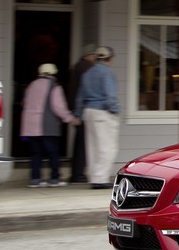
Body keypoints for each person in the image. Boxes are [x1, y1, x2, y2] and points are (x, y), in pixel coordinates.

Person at [21, 63, 81, 188]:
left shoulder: (31, 85)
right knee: (52, 153)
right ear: (53, 73)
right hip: (47, 126)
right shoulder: (54, 86)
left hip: (30, 126)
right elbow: (58, 107)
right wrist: (71, 119)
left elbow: (25, 103)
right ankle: (55, 178)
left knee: (35, 153)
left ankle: (35, 179)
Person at [74, 45, 121, 189]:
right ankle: (101, 178)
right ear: (109, 58)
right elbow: (110, 95)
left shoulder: (87, 73)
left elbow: (80, 97)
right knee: (107, 147)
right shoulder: (106, 73)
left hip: (88, 111)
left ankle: (94, 177)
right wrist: (115, 110)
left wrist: (78, 113)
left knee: (92, 146)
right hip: (102, 111)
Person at [65, 43, 98, 183]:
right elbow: (85, 92)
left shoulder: (76, 67)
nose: (96, 58)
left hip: (76, 108)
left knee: (79, 142)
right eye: (95, 55)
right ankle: (78, 173)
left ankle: (76, 172)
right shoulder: (88, 68)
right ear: (90, 55)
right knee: (83, 143)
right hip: (84, 110)